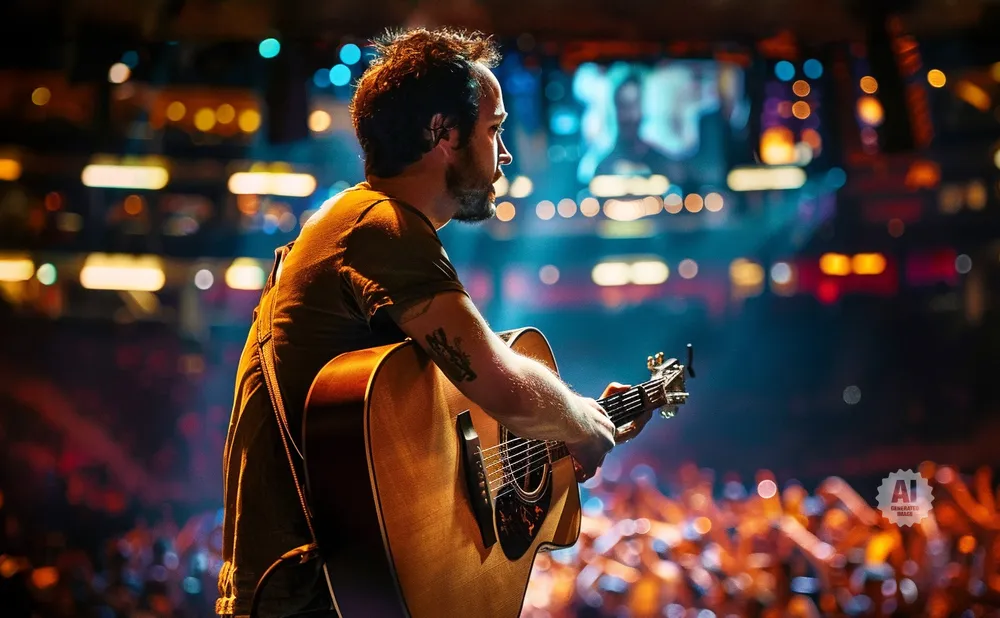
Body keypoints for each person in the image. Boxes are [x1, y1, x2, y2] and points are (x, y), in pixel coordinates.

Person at [215, 27, 651, 618]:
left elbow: (422, 463)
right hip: (314, 595)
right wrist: (578, 418)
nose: (505, 153)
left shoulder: (358, 225)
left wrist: (559, 444)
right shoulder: (381, 226)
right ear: (443, 133)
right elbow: (500, 384)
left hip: (327, 589)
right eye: (494, 129)